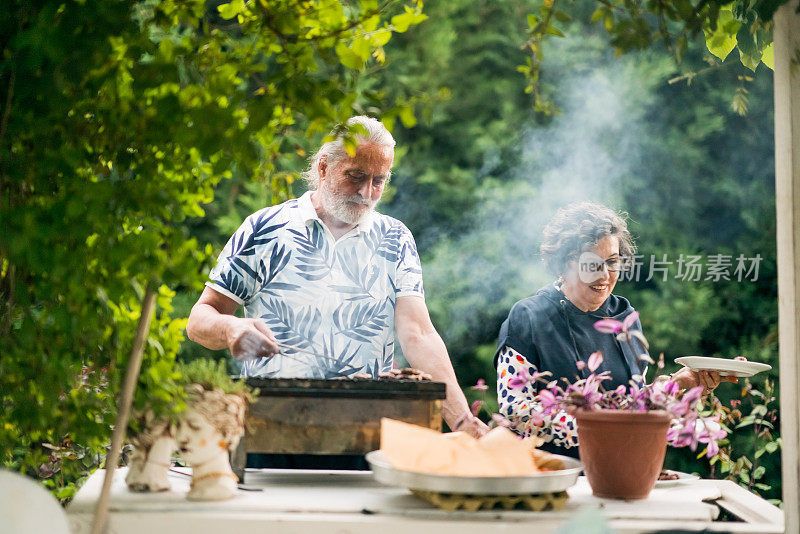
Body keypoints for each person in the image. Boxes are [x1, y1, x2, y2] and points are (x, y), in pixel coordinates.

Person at [186, 116, 488, 446]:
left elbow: (418, 333)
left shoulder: (395, 239)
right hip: (268, 429)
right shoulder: (264, 230)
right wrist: (231, 328)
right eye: (355, 176)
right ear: (323, 167)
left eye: (378, 180)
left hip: (367, 434)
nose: (366, 192)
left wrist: (461, 420)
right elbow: (200, 319)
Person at [495, 202, 736, 458]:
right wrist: (603, 427)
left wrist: (678, 385)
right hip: (556, 476)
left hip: (624, 467)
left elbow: (632, 404)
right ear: (562, 264)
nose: (604, 275)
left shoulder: (625, 317)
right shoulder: (528, 316)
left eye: (612, 262)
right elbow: (516, 410)